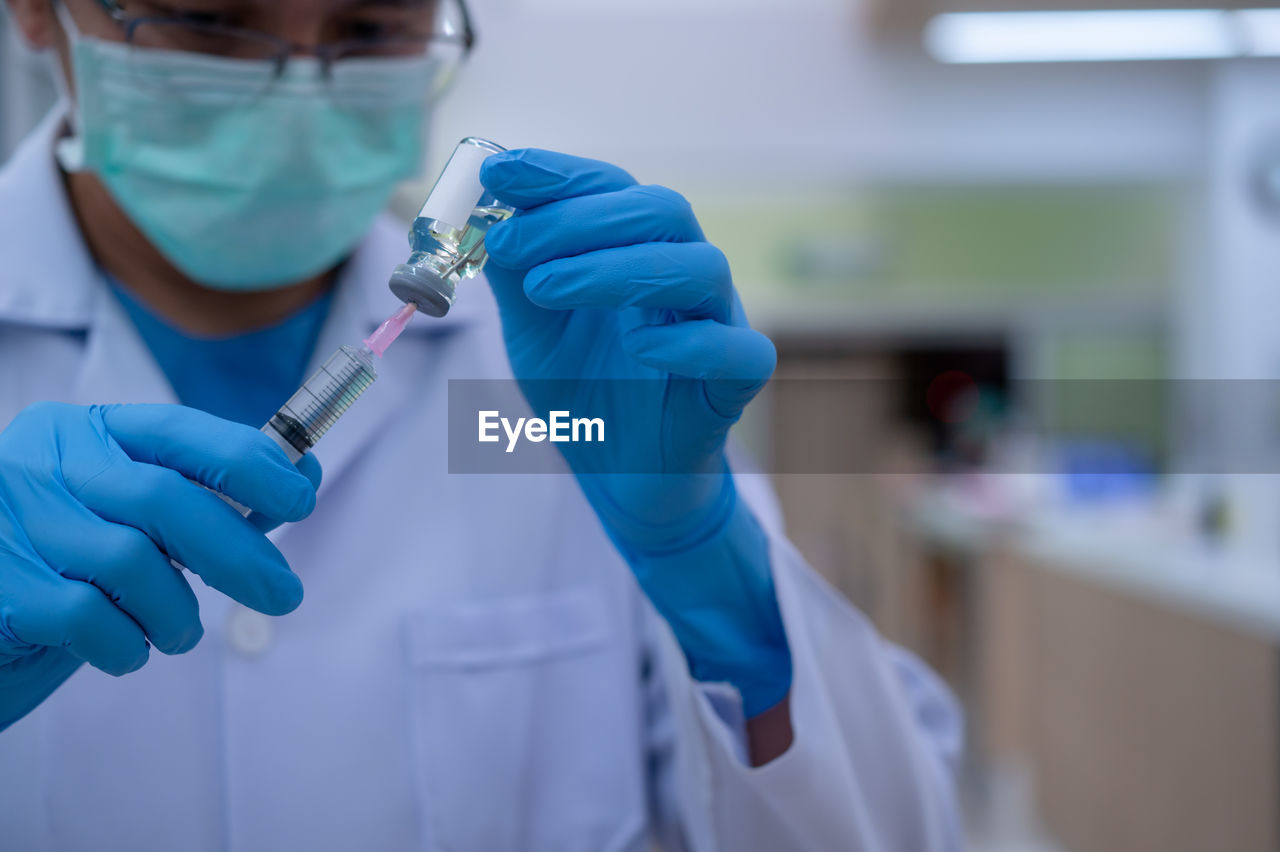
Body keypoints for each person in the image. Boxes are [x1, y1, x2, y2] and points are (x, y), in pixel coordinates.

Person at [0, 1, 964, 849]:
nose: (297, 92)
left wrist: (715, 580)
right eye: (210, 17)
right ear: (37, 11)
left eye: (370, 27)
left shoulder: (560, 375)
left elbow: (901, 837)